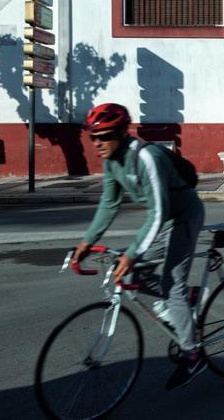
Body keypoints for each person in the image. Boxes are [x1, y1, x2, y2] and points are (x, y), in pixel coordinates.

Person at [72, 102, 207, 390]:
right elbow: (109, 204)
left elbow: (158, 212)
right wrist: (87, 241)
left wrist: (132, 254)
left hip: (183, 217)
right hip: (164, 222)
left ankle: (193, 353)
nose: (97, 143)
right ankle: (186, 300)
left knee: (171, 285)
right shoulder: (111, 162)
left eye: (104, 136)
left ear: (121, 133)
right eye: (93, 137)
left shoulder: (147, 157)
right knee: (131, 274)